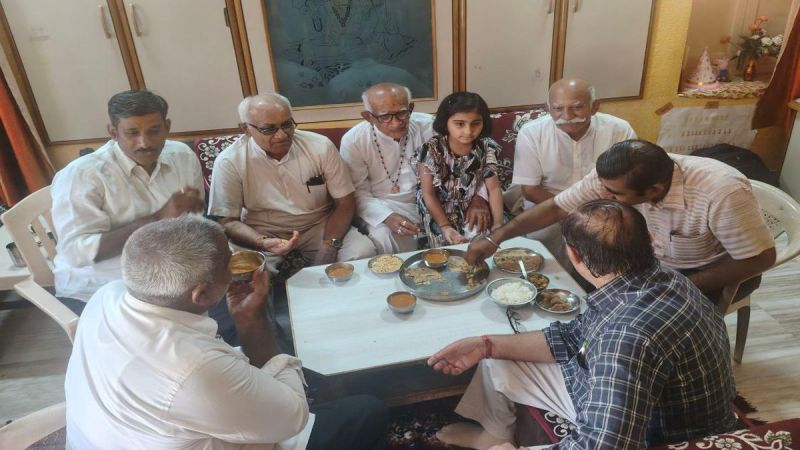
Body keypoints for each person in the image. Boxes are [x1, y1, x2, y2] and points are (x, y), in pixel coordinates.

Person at [430, 200, 738, 450]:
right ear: (648, 240)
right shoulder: (663, 277)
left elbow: (607, 445)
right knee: (495, 355)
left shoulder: (625, 336)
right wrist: (487, 345)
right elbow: (574, 335)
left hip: (662, 438)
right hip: (649, 406)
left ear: (574, 255)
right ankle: (493, 437)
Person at [65, 215, 389, 449]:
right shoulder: (196, 368)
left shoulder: (106, 296)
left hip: (110, 434)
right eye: (228, 263)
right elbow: (293, 417)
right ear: (202, 293)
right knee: (367, 410)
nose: (235, 265)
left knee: (310, 381)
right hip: (201, 417)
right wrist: (252, 322)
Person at [466, 139, 776, 303]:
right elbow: (556, 208)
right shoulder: (616, 176)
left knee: (647, 326)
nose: (605, 195)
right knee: (580, 292)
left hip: (706, 274)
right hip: (646, 265)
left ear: (653, 190)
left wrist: (679, 285)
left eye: (615, 194)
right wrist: (495, 237)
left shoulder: (721, 192)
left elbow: (760, 258)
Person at [51, 90, 204, 313]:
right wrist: (157, 220)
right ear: (113, 132)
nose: (145, 143)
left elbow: (194, 220)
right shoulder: (82, 176)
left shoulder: (182, 156)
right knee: (184, 328)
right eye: (132, 133)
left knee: (235, 303)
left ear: (167, 126)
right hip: (101, 287)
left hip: (168, 275)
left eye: (154, 131)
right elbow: (77, 253)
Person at [208, 93, 376, 267]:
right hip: (262, 230)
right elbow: (228, 221)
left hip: (319, 226)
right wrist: (261, 242)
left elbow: (345, 202)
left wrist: (329, 247)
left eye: (287, 125)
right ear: (245, 129)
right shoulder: (229, 161)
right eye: (269, 129)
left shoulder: (320, 147)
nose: (282, 135)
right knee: (245, 271)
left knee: (362, 252)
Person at [340, 82, 493, 254]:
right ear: (369, 117)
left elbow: (474, 161)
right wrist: (386, 216)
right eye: (385, 117)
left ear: (411, 108)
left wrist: (478, 198)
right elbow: (357, 192)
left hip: (439, 200)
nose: (396, 123)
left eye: (402, 113)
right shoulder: (354, 140)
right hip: (385, 204)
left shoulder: (430, 127)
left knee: (476, 228)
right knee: (384, 236)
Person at [512, 78, 636, 264]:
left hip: (602, 206)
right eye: (557, 108)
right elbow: (530, 190)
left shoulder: (619, 130)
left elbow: (629, 180)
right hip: (548, 203)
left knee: (612, 245)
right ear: (548, 108)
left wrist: (596, 214)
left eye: (577, 107)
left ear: (594, 106)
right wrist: (576, 212)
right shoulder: (532, 132)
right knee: (542, 244)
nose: (567, 115)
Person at [414, 91, 504, 247]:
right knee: (446, 248)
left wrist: (498, 224)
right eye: (460, 124)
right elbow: (428, 194)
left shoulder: (485, 147)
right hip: (438, 209)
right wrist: (445, 226)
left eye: (475, 123)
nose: (468, 131)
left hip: (472, 205)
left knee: (485, 243)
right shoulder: (431, 150)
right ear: (445, 122)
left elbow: (494, 188)